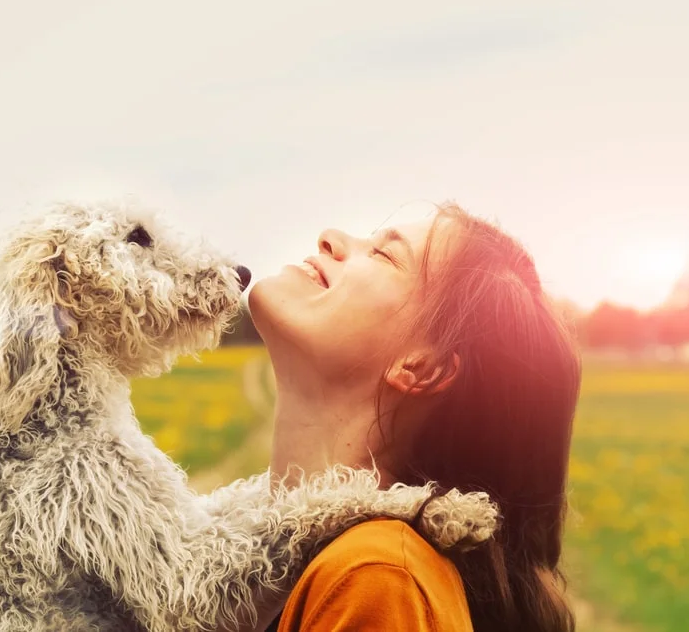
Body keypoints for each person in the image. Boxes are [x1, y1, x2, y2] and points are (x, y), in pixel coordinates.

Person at [247, 203, 581, 632]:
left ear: (423, 366)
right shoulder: (284, 571)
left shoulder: (378, 579)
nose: (330, 237)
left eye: (384, 255)